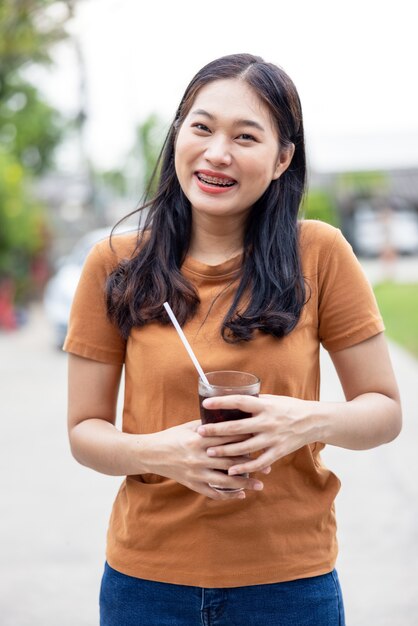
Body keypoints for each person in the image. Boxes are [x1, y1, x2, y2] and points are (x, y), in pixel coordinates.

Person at [64, 53, 402, 626]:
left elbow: (385, 411)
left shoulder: (319, 254)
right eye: (202, 127)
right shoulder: (115, 263)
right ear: (178, 136)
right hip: (146, 585)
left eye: (246, 136)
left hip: (290, 585)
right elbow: (83, 432)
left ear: (282, 159)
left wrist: (303, 420)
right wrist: (162, 454)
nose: (217, 153)